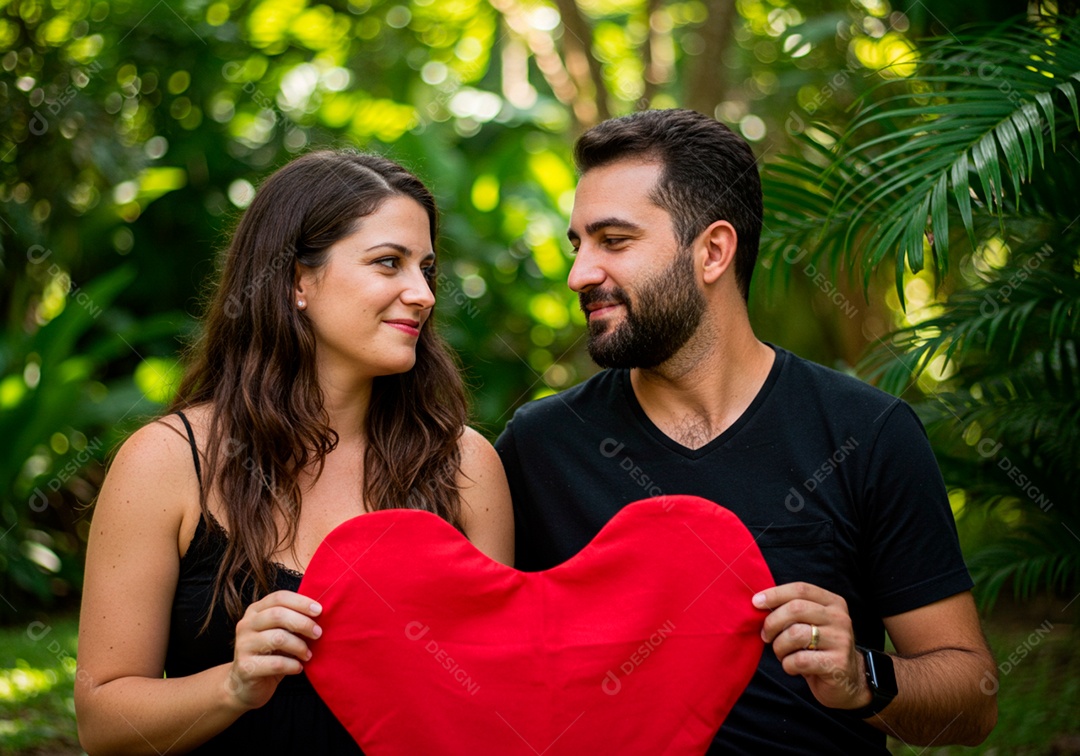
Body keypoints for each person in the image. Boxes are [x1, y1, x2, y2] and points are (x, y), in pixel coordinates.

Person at [495, 109, 997, 753]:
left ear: (712, 251)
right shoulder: (541, 445)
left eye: (613, 241)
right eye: (578, 245)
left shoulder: (866, 432)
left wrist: (862, 674)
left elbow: (974, 699)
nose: (579, 274)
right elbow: (462, 648)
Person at [74, 151, 514, 754]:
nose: (423, 294)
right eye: (389, 263)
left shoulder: (464, 465)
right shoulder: (167, 463)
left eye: (427, 269)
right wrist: (231, 685)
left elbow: (499, 709)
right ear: (296, 282)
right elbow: (102, 726)